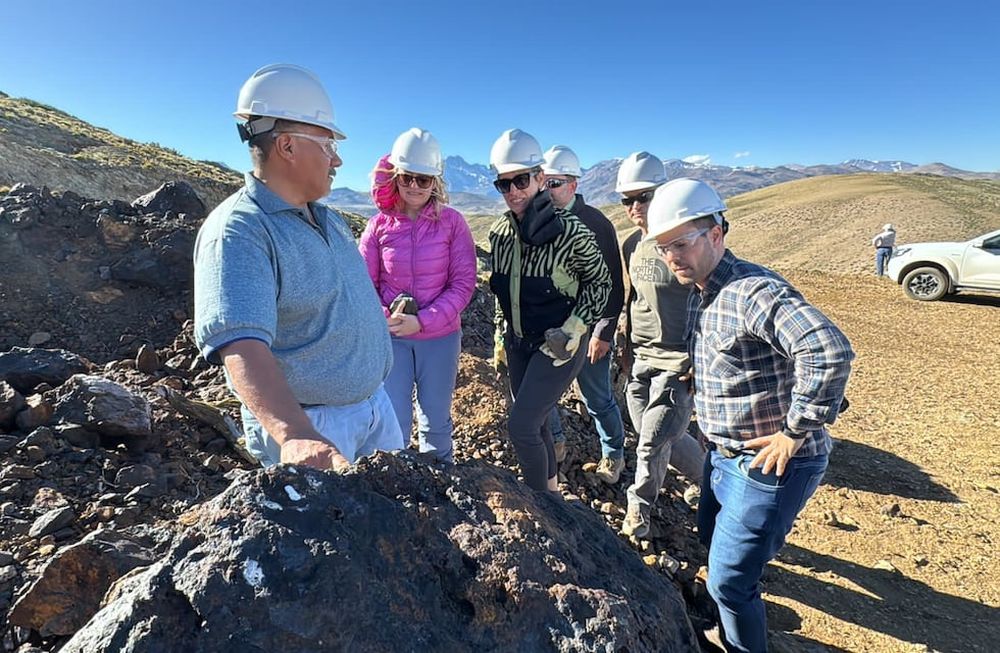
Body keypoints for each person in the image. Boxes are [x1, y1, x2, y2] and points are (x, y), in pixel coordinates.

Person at [645, 178, 855, 653]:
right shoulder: (704, 289)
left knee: (731, 582)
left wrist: (793, 431)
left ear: (716, 233)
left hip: (770, 465)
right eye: (664, 247)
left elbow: (829, 351)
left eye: (681, 243)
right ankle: (727, 631)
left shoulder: (752, 292)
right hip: (724, 456)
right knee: (712, 540)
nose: (672, 256)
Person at [193, 64, 402, 472]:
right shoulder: (240, 230)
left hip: (375, 408)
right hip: (316, 427)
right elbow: (241, 344)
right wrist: (294, 434)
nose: (337, 159)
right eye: (327, 144)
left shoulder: (330, 219)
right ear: (287, 146)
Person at [487, 129, 612, 493]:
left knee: (521, 426)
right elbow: (502, 290)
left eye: (521, 181)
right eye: (504, 184)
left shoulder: (572, 232)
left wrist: (576, 326)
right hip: (519, 342)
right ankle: (553, 491)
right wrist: (500, 333)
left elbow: (601, 283)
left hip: (558, 345)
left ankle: (541, 502)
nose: (513, 191)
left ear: (539, 178)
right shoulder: (499, 233)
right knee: (538, 422)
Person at [359, 128, 477, 463]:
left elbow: (463, 283)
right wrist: (388, 318)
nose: (414, 185)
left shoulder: (453, 223)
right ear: (395, 176)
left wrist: (422, 321)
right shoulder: (378, 226)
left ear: (434, 182)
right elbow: (363, 285)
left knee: (436, 420)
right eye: (407, 177)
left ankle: (442, 479)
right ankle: (399, 481)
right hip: (391, 339)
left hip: (440, 339)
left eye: (422, 179)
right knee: (393, 421)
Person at [616, 152, 707, 538]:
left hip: (678, 361)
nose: (635, 207)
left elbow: (709, 300)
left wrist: (700, 358)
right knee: (654, 433)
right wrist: (624, 344)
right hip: (641, 357)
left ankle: (638, 510)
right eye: (627, 200)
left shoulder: (682, 244)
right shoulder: (631, 246)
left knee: (652, 441)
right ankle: (711, 479)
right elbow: (633, 298)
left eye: (644, 197)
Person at [540, 145, 627, 483]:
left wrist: (603, 333)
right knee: (544, 393)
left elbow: (613, 285)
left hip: (588, 329)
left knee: (597, 397)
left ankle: (613, 454)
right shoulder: (541, 220)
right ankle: (556, 443)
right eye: (543, 182)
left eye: (554, 183)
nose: (547, 190)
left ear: (573, 184)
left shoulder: (596, 223)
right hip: (552, 328)